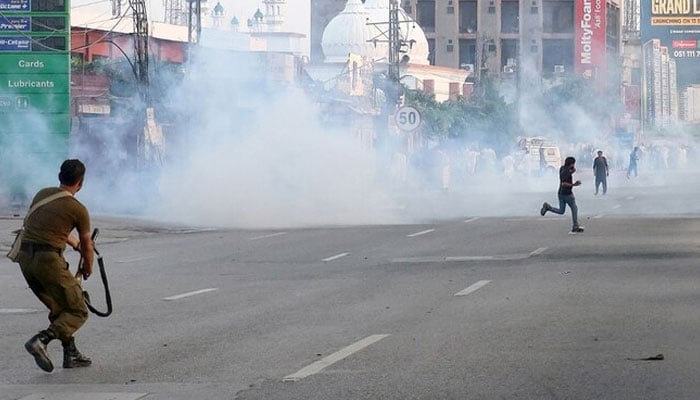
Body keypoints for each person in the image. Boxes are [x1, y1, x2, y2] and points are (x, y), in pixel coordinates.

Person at [19, 159, 94, 372]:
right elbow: (88, 244)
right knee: (78, 309)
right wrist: (87, 266)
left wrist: (74, 244)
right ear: (80, 183)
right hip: (48, 260)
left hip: (25, 258)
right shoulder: (78, 209)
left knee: (60, 307)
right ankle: (41, 340)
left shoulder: (43, 194)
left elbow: (48, 226)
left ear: (60, 176)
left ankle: (70, 353)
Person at [540, 156, 584, 233]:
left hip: (561, 193)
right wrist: (574, 184)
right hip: (567, 194)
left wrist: (572, 171)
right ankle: (575, 226)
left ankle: (548, 207)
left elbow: (566, 175)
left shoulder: (562, 168)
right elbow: (564, 183)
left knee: (561, 211)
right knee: (574, 209)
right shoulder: (566, 172)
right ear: (571, 164)